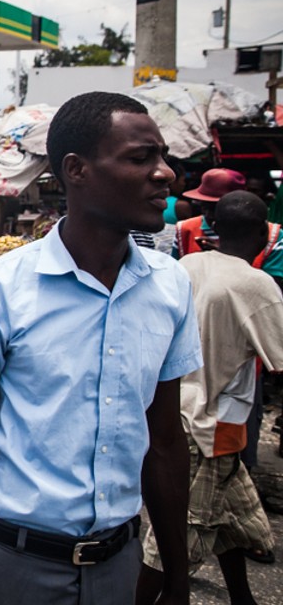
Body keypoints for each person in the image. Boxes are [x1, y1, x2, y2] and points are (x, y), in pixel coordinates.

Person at [0, 91, 201, 605]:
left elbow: (165, 443)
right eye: (141, 158)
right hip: (12, 569)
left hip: (119, 564)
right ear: (77, 170)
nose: (164, 173)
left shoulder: (170, 287)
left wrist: (177, 577)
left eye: (163, 157)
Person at [136, 191, 283, 605]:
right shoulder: (256, 284)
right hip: (209, 425)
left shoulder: (187, 265)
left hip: (173, 410)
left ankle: (243, 598)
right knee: (177, 536)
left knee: (232, 523)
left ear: (214, 227)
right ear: (263, 233)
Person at [174, 168, 246, 257]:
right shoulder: (185, 229)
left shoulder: (255, 232)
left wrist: (224, 254)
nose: (209, 215)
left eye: (215, 208)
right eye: (204, 207)